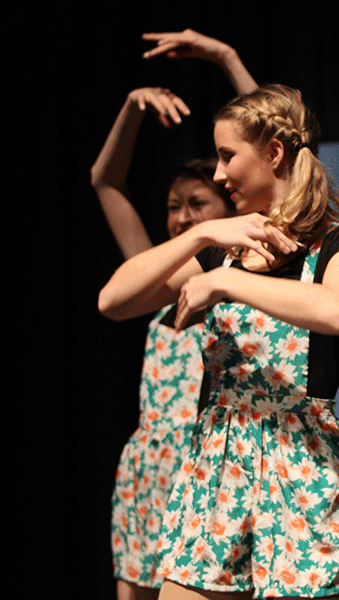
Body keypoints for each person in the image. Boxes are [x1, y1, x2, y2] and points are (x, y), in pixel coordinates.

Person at [99, 83, 339, 600]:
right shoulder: (220, 251)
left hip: (304, 463)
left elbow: (335, 313)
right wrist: (201, 238)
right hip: (216, 461)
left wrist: (225, 283)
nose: (220, 173)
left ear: (274, 153)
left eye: (228, 156)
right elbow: (112, 301)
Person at [94, 30, 257, 600]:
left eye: (198, 205)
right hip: (147, 466)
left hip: (206, 464)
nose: (184, 219)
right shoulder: (159, 280)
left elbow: (280, 146)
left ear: (229, 204)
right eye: (173, 208)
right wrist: (131, 108)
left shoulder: (233, 271)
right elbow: (106, 182)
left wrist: (226, 59)